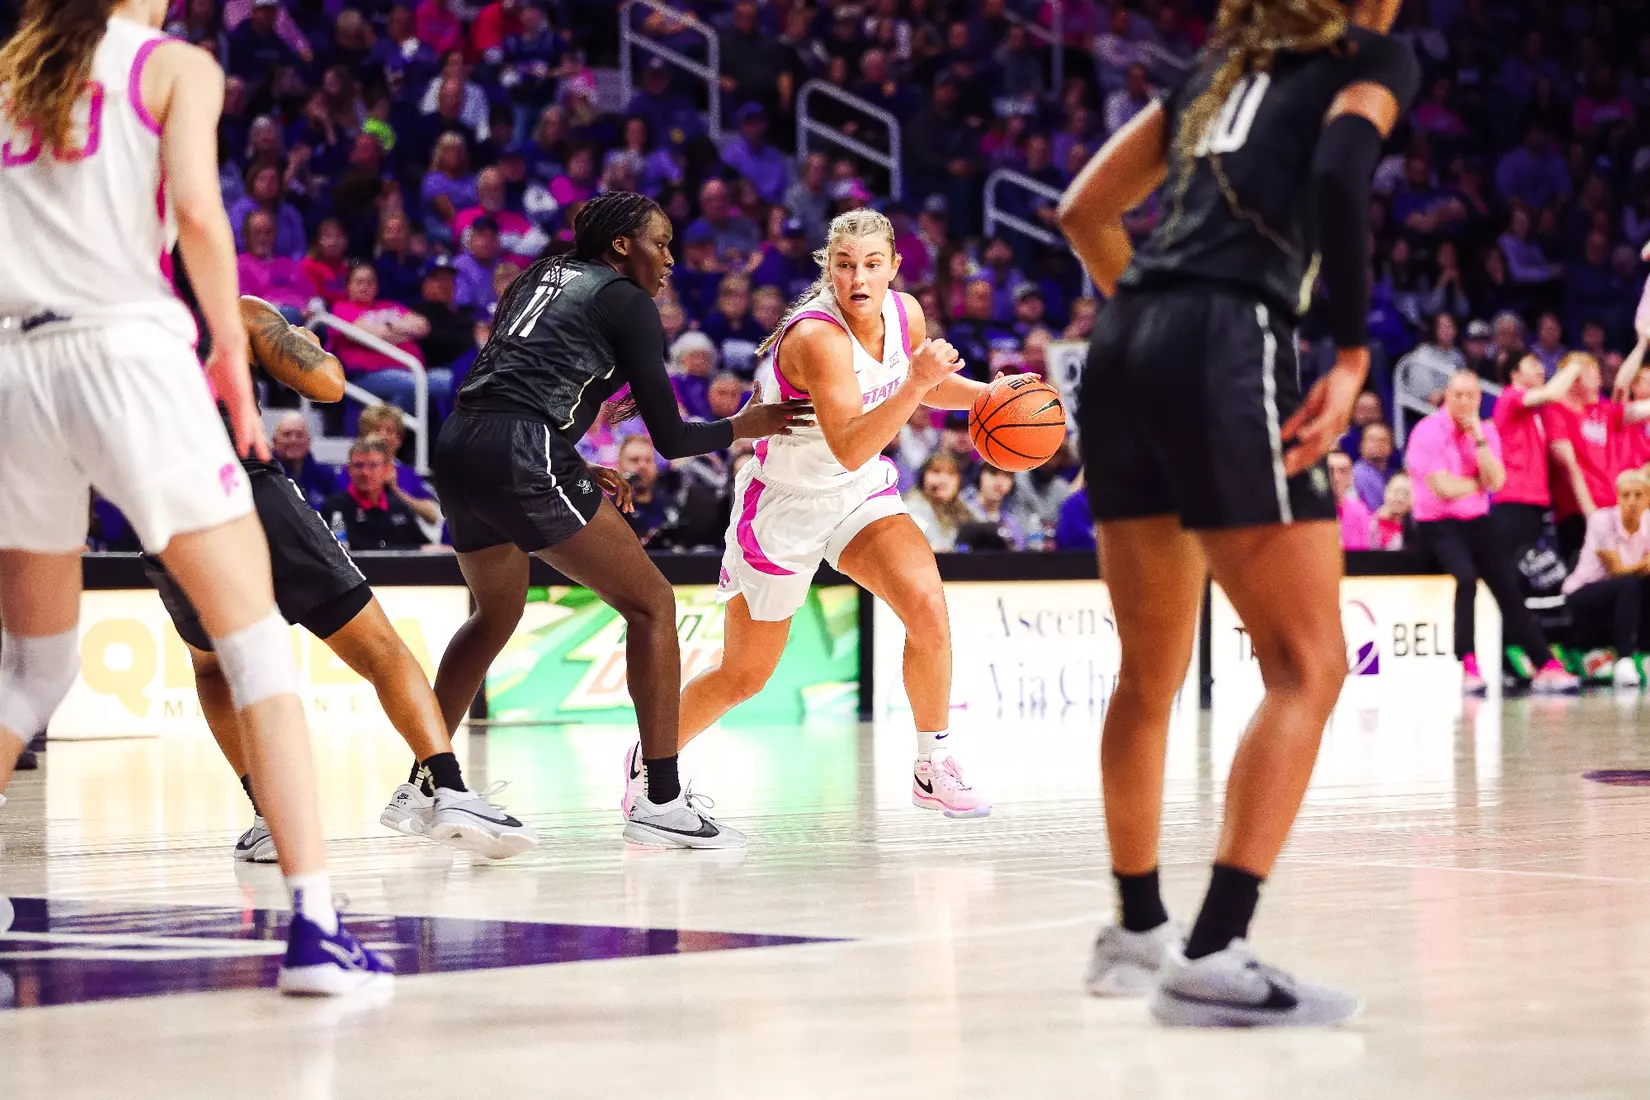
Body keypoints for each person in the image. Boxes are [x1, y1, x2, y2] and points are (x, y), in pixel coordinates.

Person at [0, 0, 388, 994]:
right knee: (255, 639)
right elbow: (202, 220)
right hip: (126, 348)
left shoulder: (10, 70)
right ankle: (312, 927)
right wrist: (228, 350)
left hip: (14, 366)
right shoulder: (173, 64)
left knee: (31, 674)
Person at [1056, 0, 1419, 1027]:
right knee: (1308, 663)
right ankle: (1213, 950)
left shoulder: (1212, 71)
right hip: (1225, 337)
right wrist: (1352, 355)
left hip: (1122, 349)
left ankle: (1135, 928)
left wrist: (1156, 321)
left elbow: (1084, 212)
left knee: (1148, 673)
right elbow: (1344, 171)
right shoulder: (1372, 54)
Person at [427, 192, 809, 850]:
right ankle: (661, 798)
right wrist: (747, 423)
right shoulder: (627, 300)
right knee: (653, 604)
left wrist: (569, 462)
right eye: (660, 244)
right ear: (623, 244)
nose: (669, 260)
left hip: (460, 442)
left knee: (493, 615)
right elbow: (671, 437)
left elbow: (516, 378)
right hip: (522, 453)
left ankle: (430, 780)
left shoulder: (536, 275)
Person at [148, 298, 532, 861]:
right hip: (244, 486)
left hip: (160, 506)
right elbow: (327, 385)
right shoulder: (236, 310)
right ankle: (447, 788)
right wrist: (302, 338)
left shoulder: (106, 324)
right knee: (380, 648)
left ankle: (267, 816)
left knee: (210, 665)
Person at [652, 209, 991, 835]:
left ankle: (932, 761)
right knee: (744, 676)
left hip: (856, 495)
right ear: (828, 269)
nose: (857, 277)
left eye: (870, 264)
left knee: (927, 605)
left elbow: (922, 389)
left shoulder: (905, 313)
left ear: (893, 267)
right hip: (784, 504)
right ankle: (651, 764)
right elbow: (854, 442)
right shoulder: (816, 339)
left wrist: (990, 397)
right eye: (843, 264)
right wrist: (918, 383)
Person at [1408, 372, 1578, 695]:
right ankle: (1468, 664)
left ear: (1478, 399)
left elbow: (1497, 482)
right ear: (1447, 396)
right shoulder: (1427, 431)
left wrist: (1480, 441)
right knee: (1466, 578)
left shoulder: (1485, 431)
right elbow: (1443, 488)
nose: (1463, 401)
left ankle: (1545, 665)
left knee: (1508, 585)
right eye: (1457, 394)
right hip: (1436, 524)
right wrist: (1476, 484)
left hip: (1476, 520)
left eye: (1470, 395)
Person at [1561, 469, 1650, 688]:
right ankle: (1625, 661)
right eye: (1625, 495)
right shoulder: (1602, 520)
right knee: (1628, 585)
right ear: (1617, 497)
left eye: (1638, 495)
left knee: (1639, 586)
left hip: (1625, 592)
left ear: (1648, 498)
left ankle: (1646, 653)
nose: (1631, 501)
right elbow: (1617, 570)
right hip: (1583, 593)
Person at [1491, 353, 1583, 560]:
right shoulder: (1509, 396)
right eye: (1533, 365)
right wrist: (1574, 366)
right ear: (1514, 374)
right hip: (1513, 498)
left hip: (1535, 500)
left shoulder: (1535, 412)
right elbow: (1552, 392)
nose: (1540, 369)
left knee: (1527, 568)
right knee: (1511, 566)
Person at [1546, 353, 1618, 564]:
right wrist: (1593, 517)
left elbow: (1635, 409)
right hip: (1579, 513)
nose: (1600, 379)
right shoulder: (1555, 411)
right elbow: (1570, 469)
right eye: (1593, 373)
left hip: (1610, 510)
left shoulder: (1599, 410)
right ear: (1575, 378)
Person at [1329, 450, 1372, 550]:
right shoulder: (1312, 511)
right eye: (1330, 471)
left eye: (1343, 471)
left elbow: (1364, 552)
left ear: (1351, 477)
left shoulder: (1360, 510)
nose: (1336, 477)